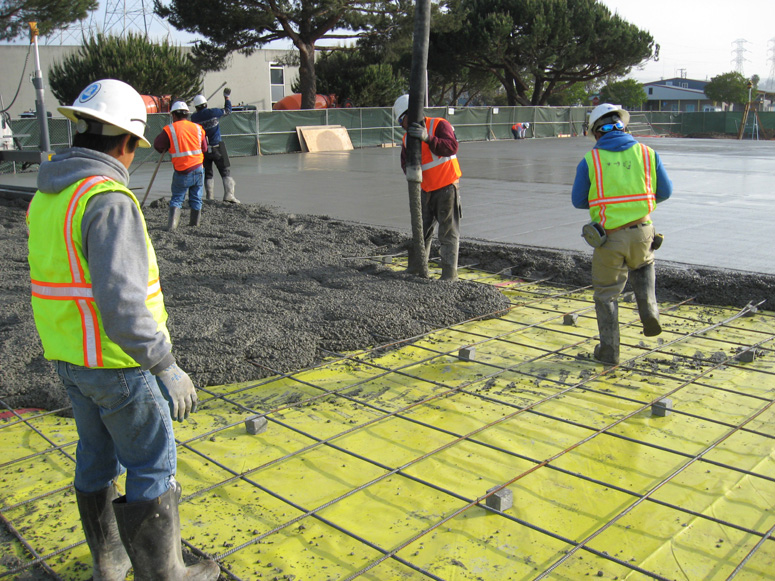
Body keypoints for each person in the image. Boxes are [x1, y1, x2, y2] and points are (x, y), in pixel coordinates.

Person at [26, 79, 219, 581]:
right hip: (118, 364)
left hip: (70, 358)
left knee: (95, 457)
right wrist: (165, 365)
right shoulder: (107, 199)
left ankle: (108, 563)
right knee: (152, 462)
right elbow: (123, 303)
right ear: (126, 142)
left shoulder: (49, 195)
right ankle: (165, 574)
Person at [572, 103, 673, 365]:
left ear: (596, 133)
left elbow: (578, 200)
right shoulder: (648, 153)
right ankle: (649, 312)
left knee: (606, 294)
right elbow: (665, 192)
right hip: (644, 231)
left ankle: (610, 352)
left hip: (610, 237)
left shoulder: (591, 160)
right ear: (624, 127)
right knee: (644, 265)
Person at [393, 94, 463, 281]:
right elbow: (405, 163)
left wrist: (428, 138)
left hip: (446, 187)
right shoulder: (407, 139)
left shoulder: (439, 125)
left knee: (447, 233)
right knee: (420, 231)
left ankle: (449, 275)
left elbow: (451, 147)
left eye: (401, 120)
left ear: (410, 115)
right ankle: (416, 268)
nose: (401, 125)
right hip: (425, 191)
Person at [154, 101, 207, 230]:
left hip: (182, 170)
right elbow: (204, 148)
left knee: (177, 198)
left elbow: (158, 145)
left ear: (174, 115)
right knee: (196, 197)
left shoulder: (170, 129)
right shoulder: (197, 128)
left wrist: (168, 146)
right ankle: (195, 224)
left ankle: (172, 226)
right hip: (198, 168)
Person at [190, 89, 240, 204]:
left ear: (196, 107)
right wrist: (226, 97)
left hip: (203, 149)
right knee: (225, 171)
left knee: (208, 173)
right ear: (205, 104)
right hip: (218, 146)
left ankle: (210, 197)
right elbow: (228, 110)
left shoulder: (194, 118)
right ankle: (229, 195)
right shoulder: (213, 112)